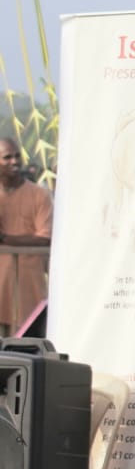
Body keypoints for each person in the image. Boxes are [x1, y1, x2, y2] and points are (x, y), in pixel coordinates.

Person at [0, 137, 51, 335]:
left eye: (17, 156)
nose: (14, 161)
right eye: (7, 157)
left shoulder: (40, 195)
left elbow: (45, 238)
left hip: (29, 294)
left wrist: (5, 239)